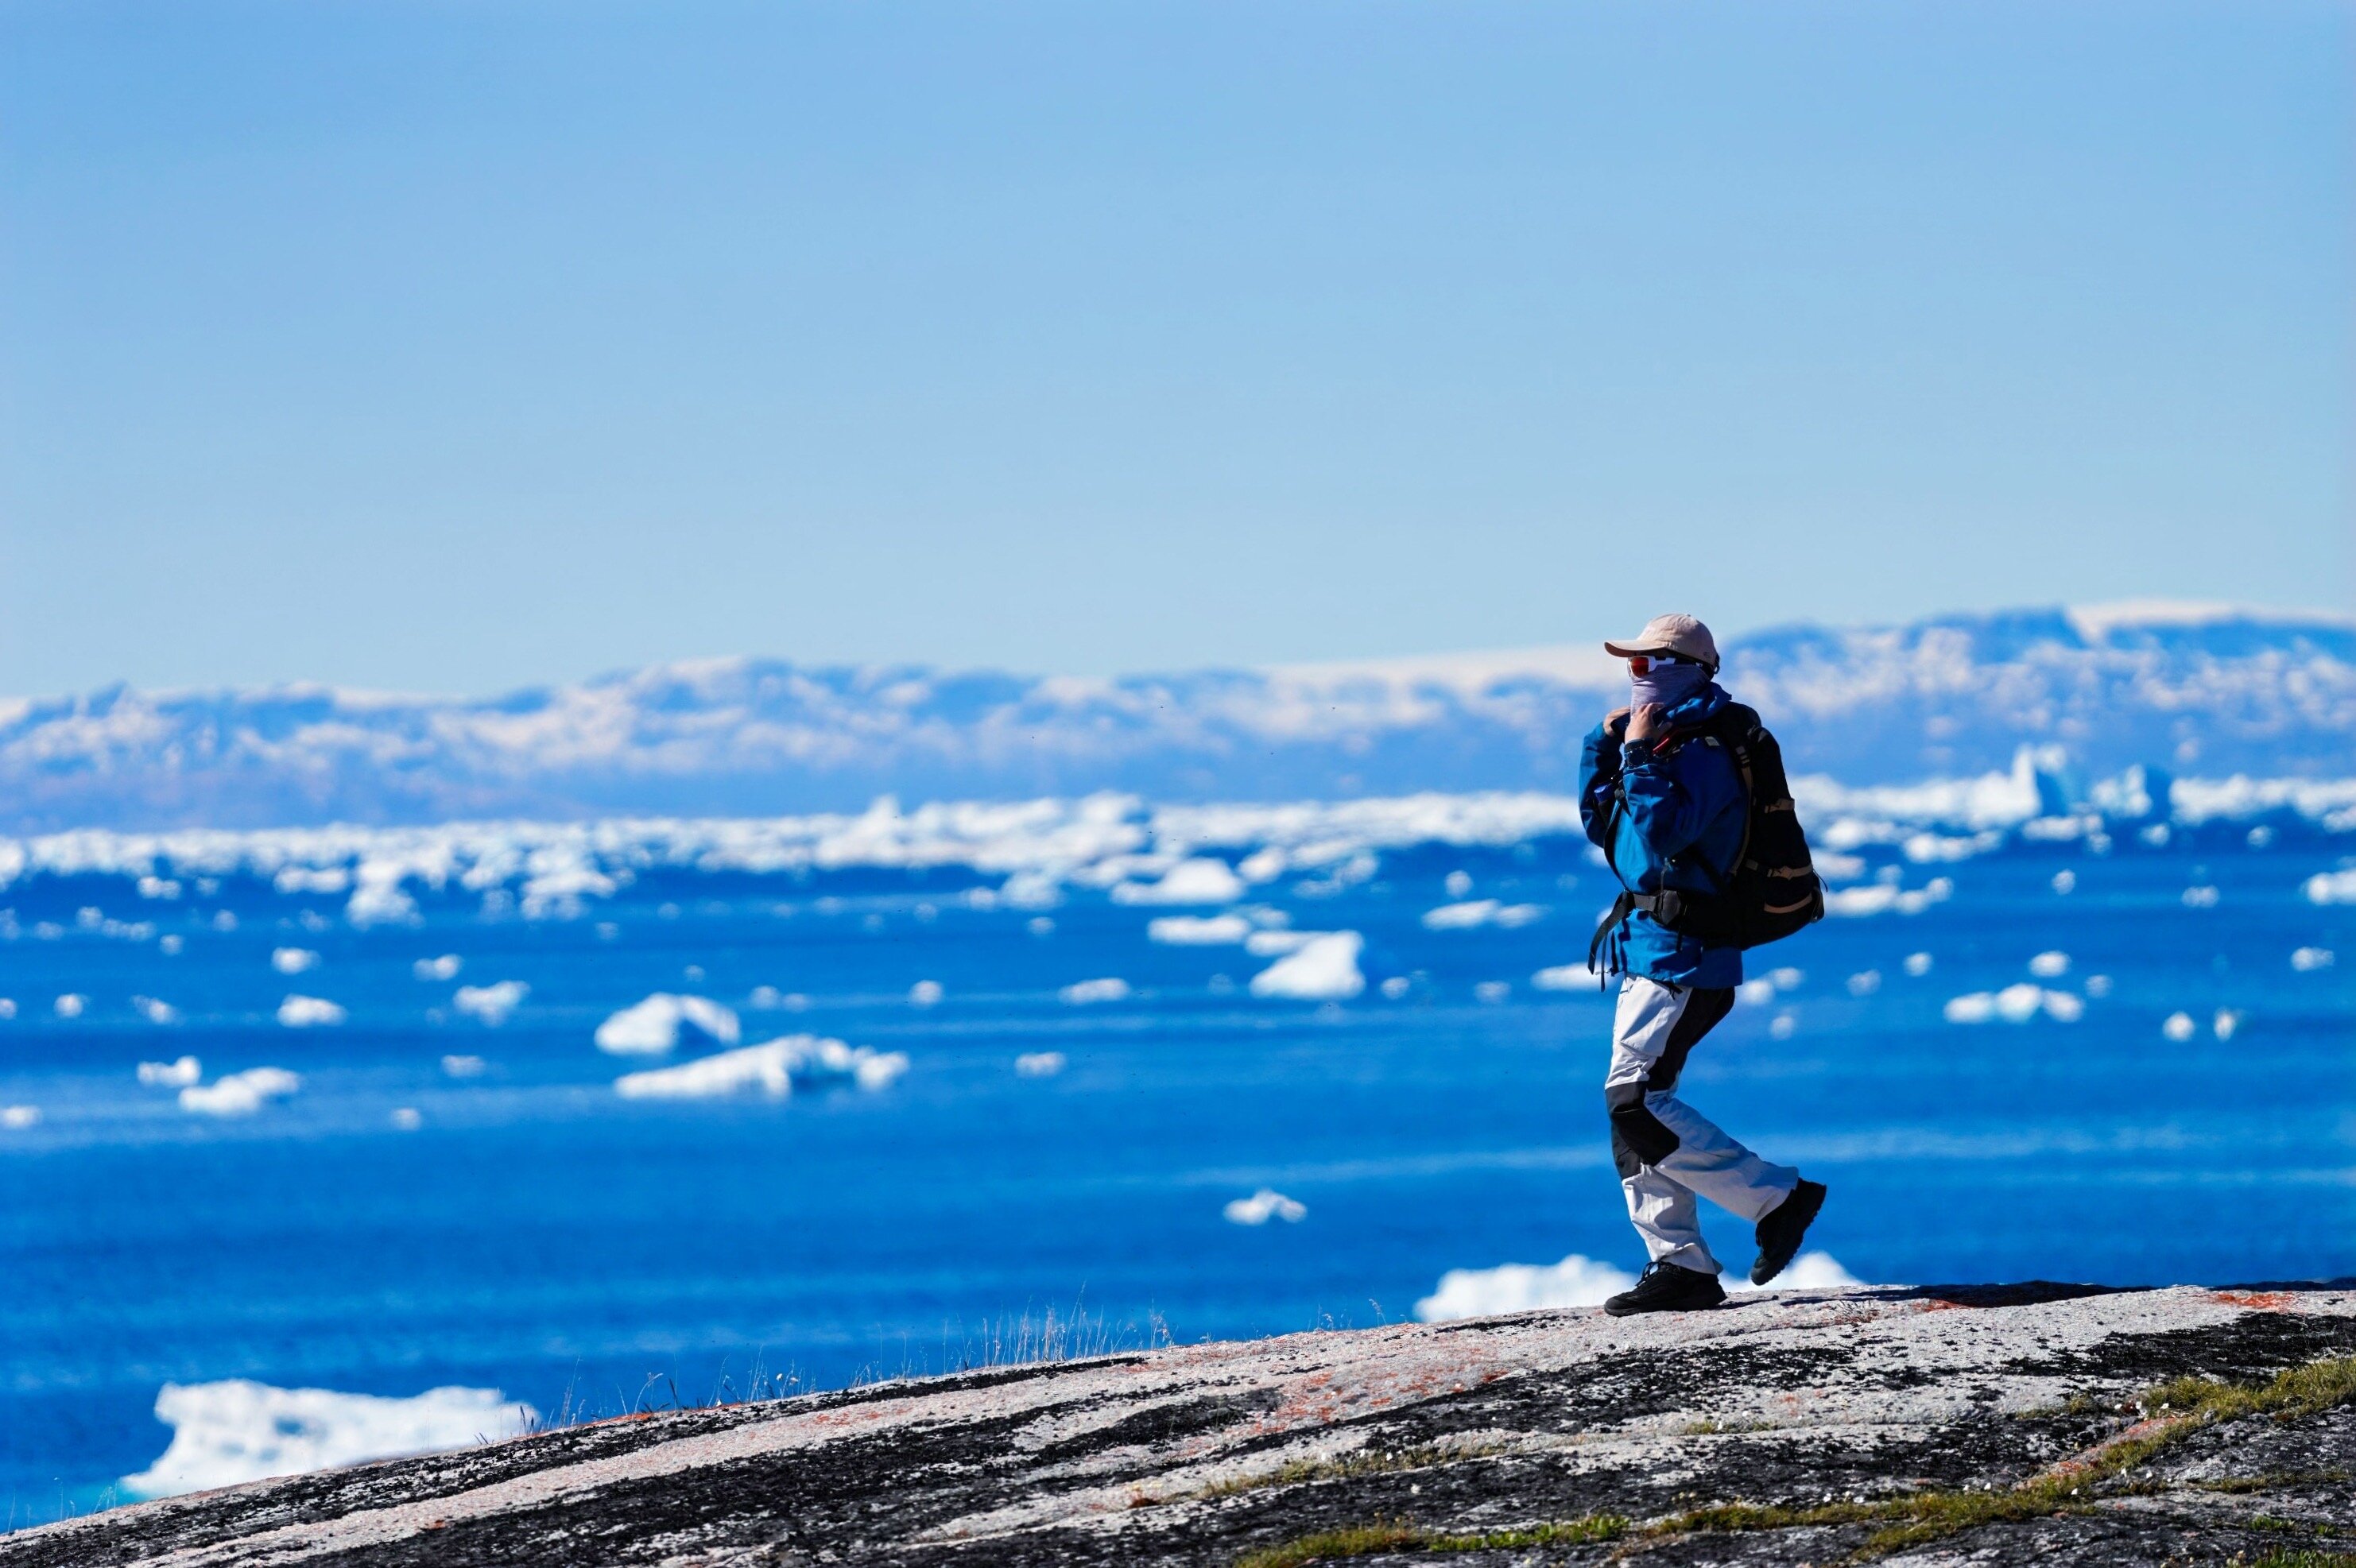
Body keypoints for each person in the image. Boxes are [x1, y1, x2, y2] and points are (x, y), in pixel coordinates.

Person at [1578, 613, 1826, 1314]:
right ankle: (1679, 1264)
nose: (1635, 676)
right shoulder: (1662, 741)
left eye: (1645, 663)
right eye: (1630, 665)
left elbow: (1664, 832)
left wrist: (1639, 754)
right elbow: (1608, 828)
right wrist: (1604, 747)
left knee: (1635, 1101)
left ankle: (1776, 1196)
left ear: (1682, 667)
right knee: (1632, 1104)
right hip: (1650, 950)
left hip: (1687, 957)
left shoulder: (1703, 749)